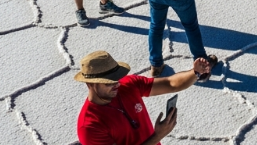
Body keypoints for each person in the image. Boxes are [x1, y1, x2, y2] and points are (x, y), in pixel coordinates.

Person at [75, 50, 212, 145]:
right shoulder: (89, 126)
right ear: (90, 84)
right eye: (109, 82)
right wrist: (157, 136)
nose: (117, 84)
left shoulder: (128, 84)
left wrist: (195, 73)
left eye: (117, 78)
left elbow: (170, 83)